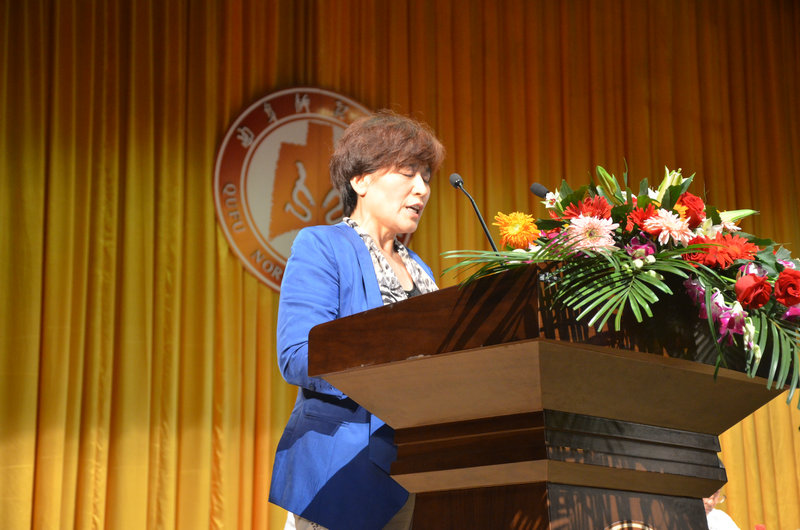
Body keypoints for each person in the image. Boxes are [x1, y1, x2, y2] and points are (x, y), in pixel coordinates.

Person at [268, 110, 445, 530]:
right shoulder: (323, 246)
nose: (422, 189)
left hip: (418, 469)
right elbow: (298, 355)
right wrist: (394, 367)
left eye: (426, 177)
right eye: (408, 172)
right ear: (360, 180)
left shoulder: (420, 270)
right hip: (342, 472)